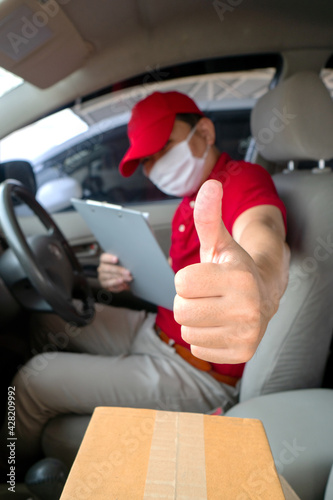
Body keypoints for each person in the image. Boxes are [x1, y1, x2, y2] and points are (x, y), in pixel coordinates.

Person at [1, 91, 290, 469]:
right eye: (146, 160)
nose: (154, 166)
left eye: (163, 148)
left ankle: (10, 478)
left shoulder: (241, 180)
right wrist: (121, 277)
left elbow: (263, 231)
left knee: (33, 381)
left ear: (204, 131)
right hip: (156, 329)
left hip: (194, 370)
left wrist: (260, 281)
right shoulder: (190, 200)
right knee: (46, 319)